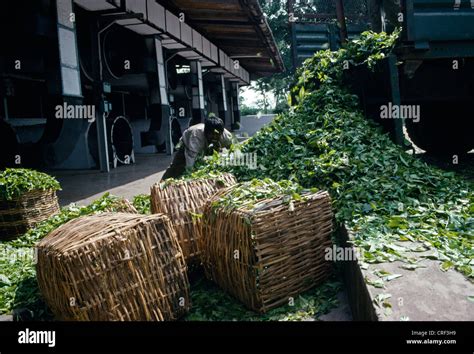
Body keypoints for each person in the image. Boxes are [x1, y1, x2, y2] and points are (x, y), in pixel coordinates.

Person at [161, 114, 233, 180]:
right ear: (206, 131)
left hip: (208, 146)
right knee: (176, 167)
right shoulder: (196, 136)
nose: (214, 136)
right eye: (212, 134)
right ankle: (162, 184)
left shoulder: (225, 136)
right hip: (187, 145)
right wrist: (191, 177)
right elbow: (191, 160)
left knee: (210, 163)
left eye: (217, 134)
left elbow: (233, 149)